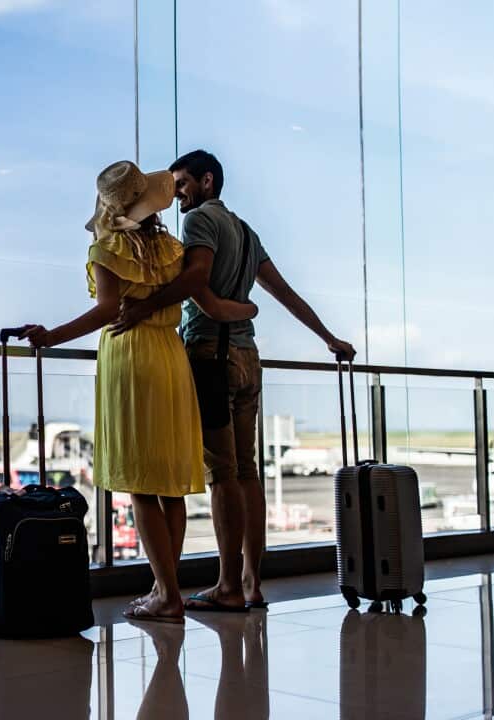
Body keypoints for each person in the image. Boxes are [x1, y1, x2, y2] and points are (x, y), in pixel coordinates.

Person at [109, 149, 356, 612]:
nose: (177, 193)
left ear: (207, 181)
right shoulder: (245, 230)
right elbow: (282, 291)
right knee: (247, 473)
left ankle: (226, 586)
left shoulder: (199, 220)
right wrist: (327, 336)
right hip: (247, 356)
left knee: (223, 474)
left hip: (210, 355)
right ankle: (251, 582)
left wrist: (145, 306)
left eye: (182, 183)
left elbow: (198, 278)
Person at [21, 160, 258, 624]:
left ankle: (166, 595)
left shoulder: (107, 248)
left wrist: (51, 335)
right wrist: (247, 307)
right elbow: (204, 299)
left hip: (130, 360)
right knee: (169, 486)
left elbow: (106, 311)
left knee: (141, 486)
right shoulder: (171, 248)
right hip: (171, 358)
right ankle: (164, 586)